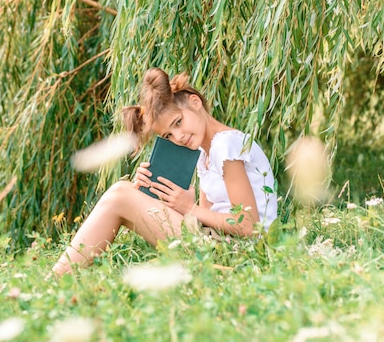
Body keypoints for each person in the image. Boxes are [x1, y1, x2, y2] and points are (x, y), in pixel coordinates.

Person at [51, 67, 278, 276]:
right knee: (126, 193)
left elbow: (248, 225)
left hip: (242, 254)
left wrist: (190, 207)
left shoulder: (225, 145)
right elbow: (209, 219)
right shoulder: (205, 153)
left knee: (120, 194)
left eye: (178, 122)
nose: (178, 137)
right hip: (222, 244)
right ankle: (58, 280)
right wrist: (155, 197)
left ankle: (56, 281)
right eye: (168, 135)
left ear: (195, 102)